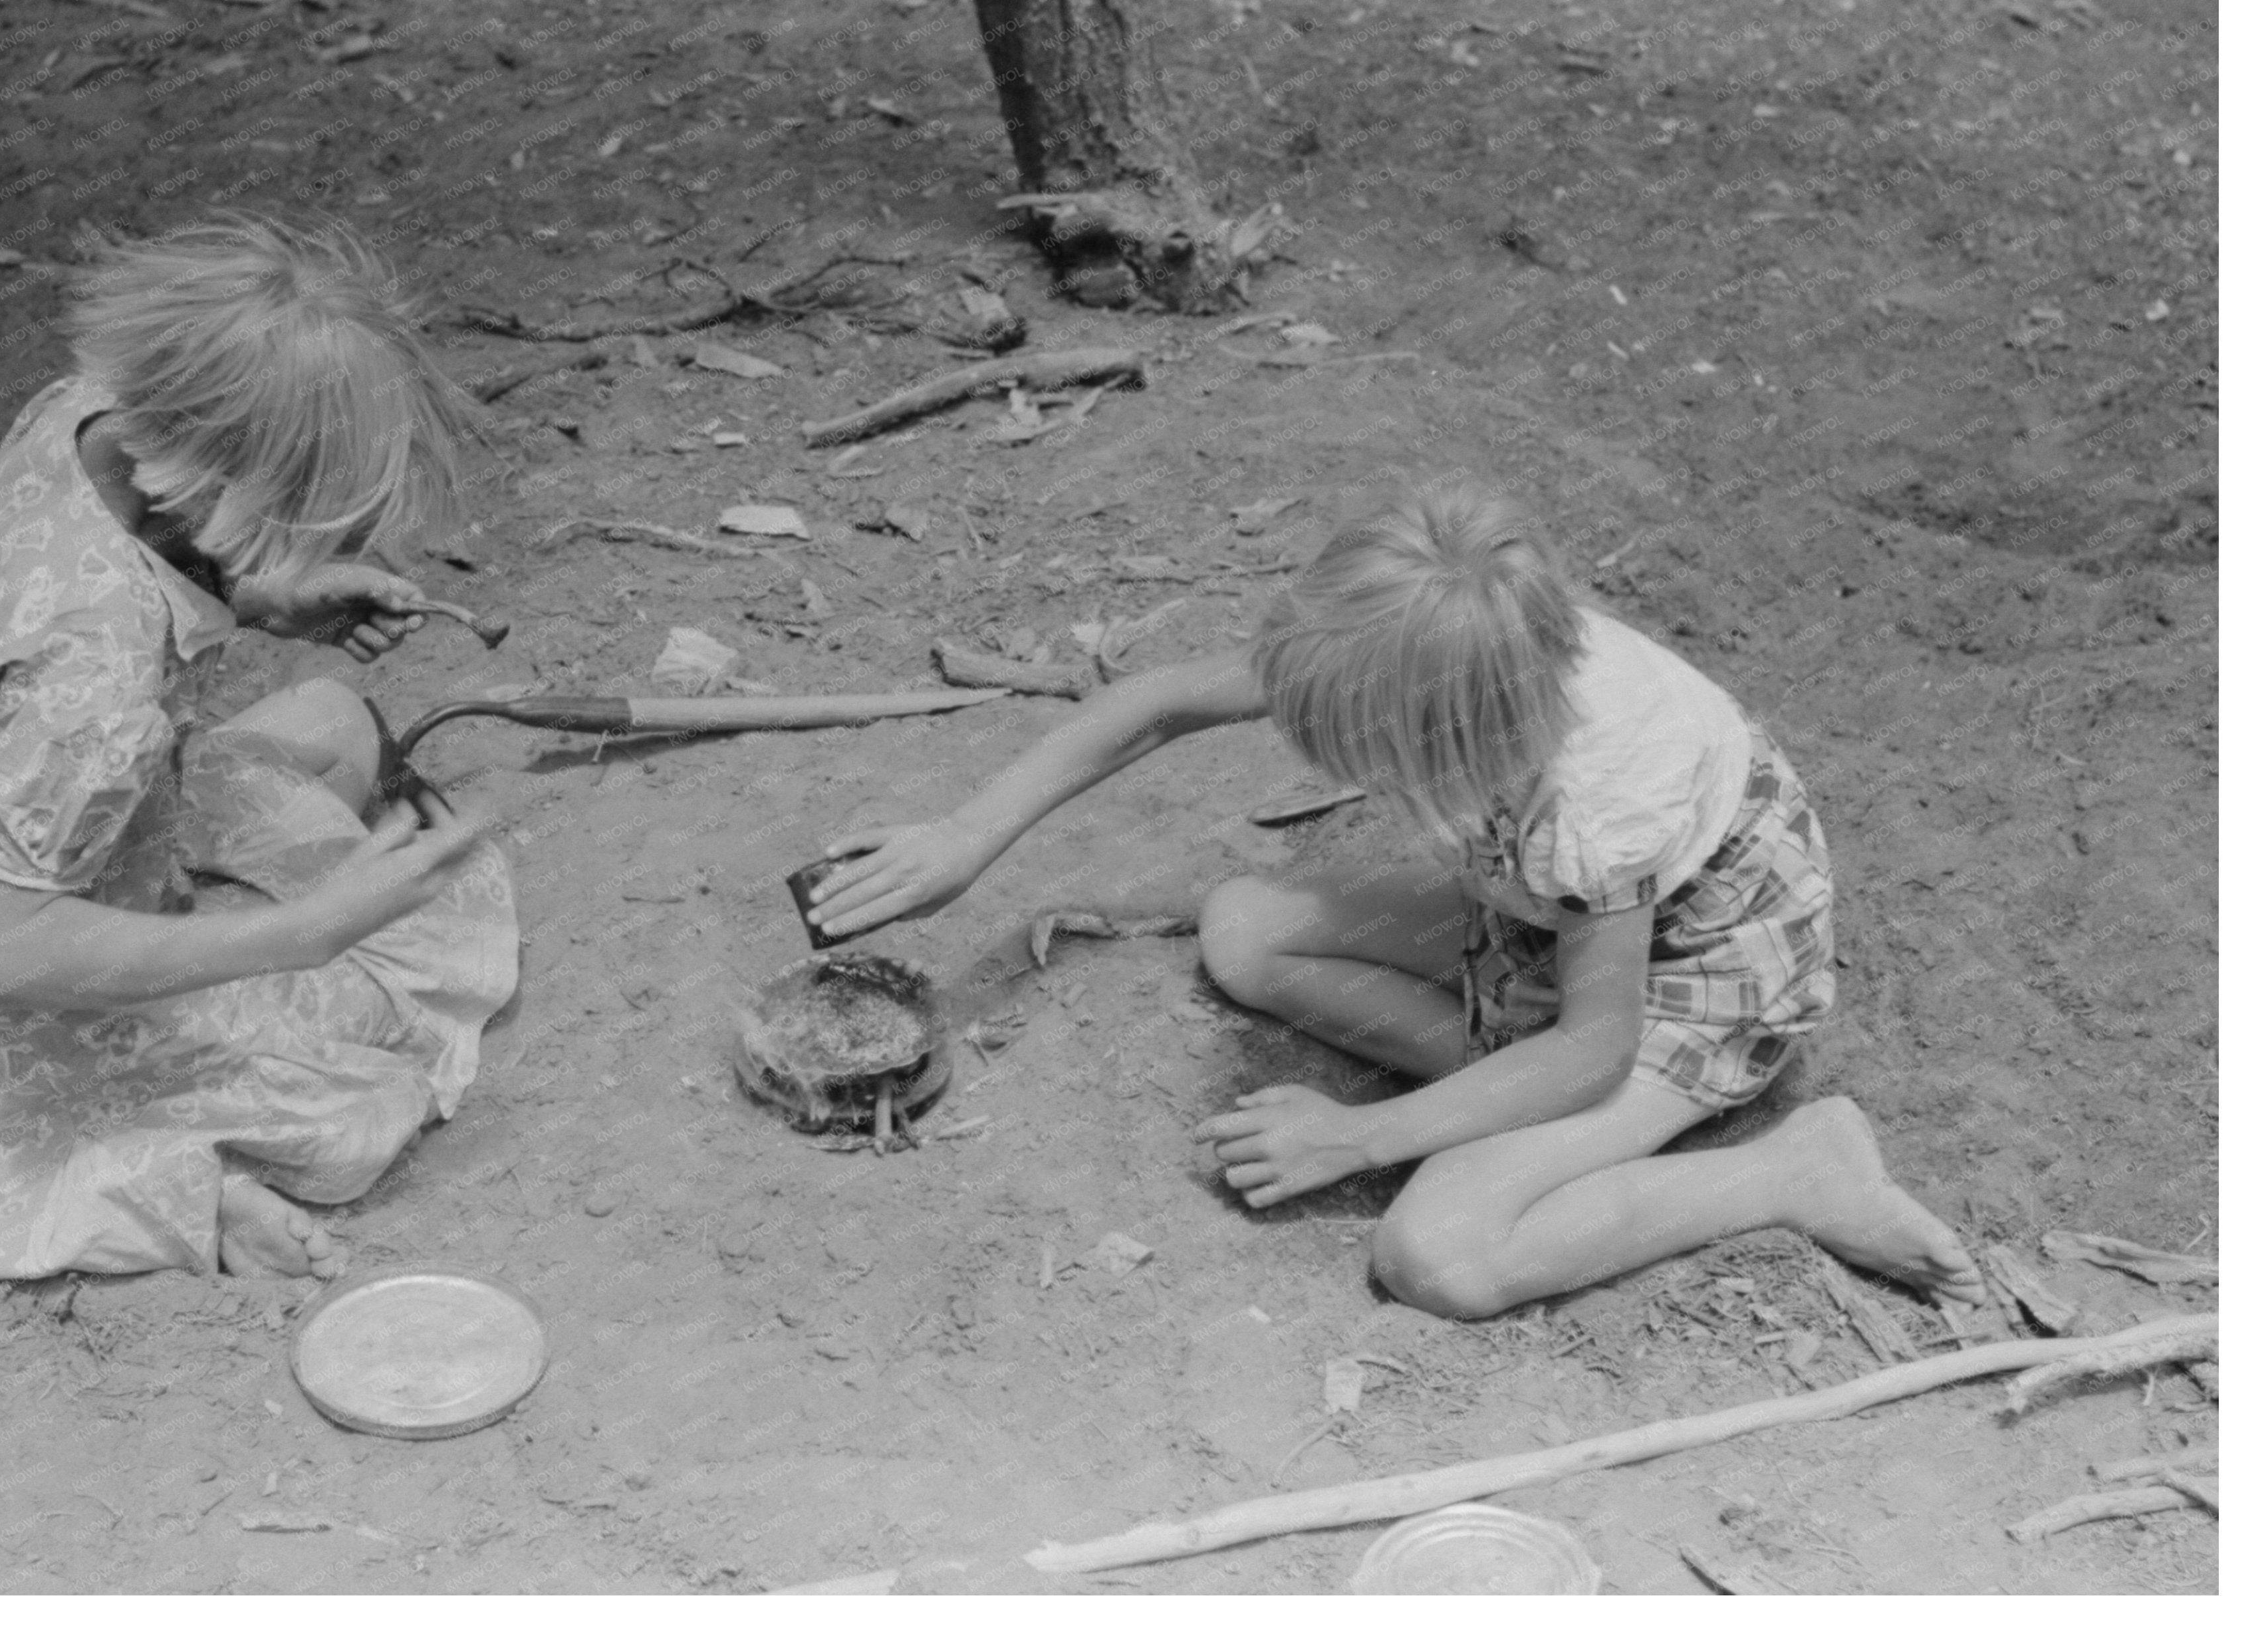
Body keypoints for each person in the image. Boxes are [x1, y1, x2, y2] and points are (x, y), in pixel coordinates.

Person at [802, 486, 1983, 1319]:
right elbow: (1161, 702)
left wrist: (1357, 1136)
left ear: (1447, 733)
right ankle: (1491, 1082)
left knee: (1440, 1254)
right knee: (1244, 929)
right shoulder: (1425, 646)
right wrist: (966, 838)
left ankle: (1788, 1173)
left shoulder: (1595, 800)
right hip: (1540, 924)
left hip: (1691, 976)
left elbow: (1591, 1046)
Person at [0, 215, 519, 1283]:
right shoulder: (96, 685)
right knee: (359, 1092)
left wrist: (259, 592)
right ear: (230, 491)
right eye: (311, 521)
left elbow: (119, 577)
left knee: (332, 717)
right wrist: (307, 932)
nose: (335, 545)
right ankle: (172, 1191)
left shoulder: (82, 415)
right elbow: (6, 953)